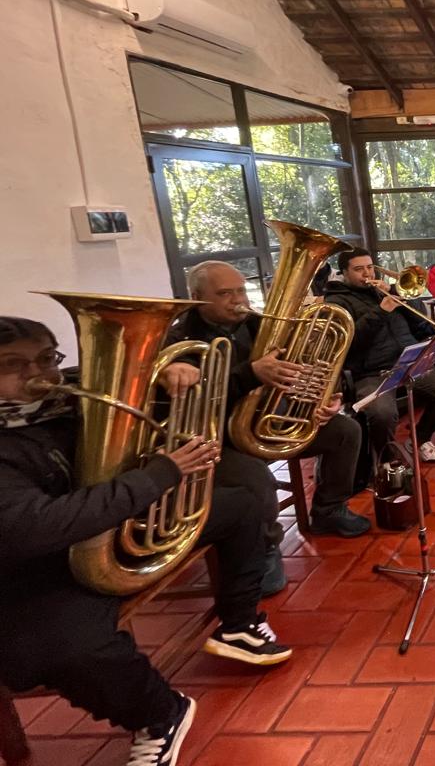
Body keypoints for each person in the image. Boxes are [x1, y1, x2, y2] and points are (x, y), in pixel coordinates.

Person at [0, 317, 291, 766]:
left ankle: (238, 622)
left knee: (243, 503)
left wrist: (165, 376)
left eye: (46, 358)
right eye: (13, 364)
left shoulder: (69, 393)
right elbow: (36, 527)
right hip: (44, 563)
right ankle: (161, 714)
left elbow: (157, 406)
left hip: (118, 521)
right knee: (67, 649)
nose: (40, 374)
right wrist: (160, 474)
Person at [162, 261, 370, 597]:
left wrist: (326, 396)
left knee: (346, 431)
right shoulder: (178, 340)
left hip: (263, 422)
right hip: (215, 438)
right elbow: (193, 402)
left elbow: (304, 365)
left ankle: (329, 509)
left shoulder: (256, 324)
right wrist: (251, 373)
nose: (237, 299)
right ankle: (263, 547)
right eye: (224, 293)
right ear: (197, 297)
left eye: (241, 290)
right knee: (257, 477)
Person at [324, 248, 435, 462]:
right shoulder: (336, 302)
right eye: (359, 270)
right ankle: (388, 463)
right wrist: (380, 311)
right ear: (344, 272)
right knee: (382, 414)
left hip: (408, 363)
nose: (367, 274)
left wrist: (397, 292)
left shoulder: (382, 290)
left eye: (370, 267)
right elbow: (349, 342)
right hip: (371, 372)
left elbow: (421, 321)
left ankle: (420, 438)